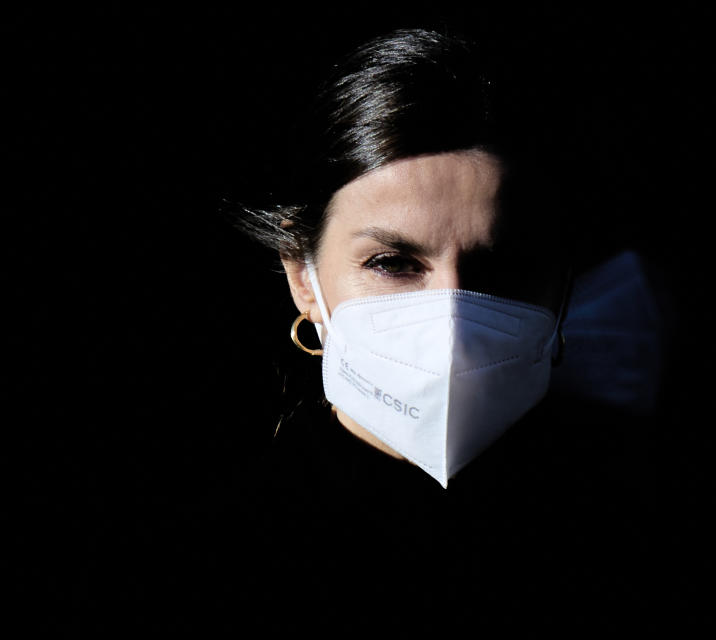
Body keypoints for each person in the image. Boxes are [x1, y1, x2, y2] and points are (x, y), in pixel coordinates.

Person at [221, 27, 662, 630]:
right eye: (392, 263)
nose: (452, 316)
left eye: (502, 267)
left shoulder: (642, 538)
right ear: (303, 278)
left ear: (562, 285)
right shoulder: (216, 559)